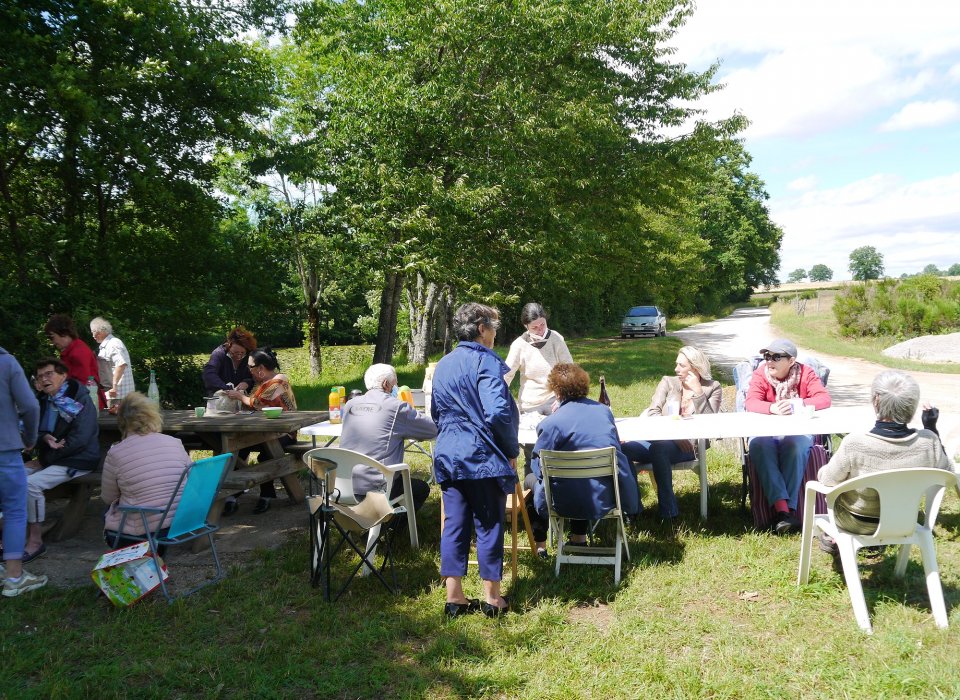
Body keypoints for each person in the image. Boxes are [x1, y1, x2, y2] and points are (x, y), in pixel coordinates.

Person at [432, 302, 518, 618]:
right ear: (482, 329)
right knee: (489, 523)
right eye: (494, 327)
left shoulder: (443, 364)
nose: (496, 333)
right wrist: (510, 450)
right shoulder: (486, 362)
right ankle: (492, 599)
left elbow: (436, 413)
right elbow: (498, 412)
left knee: (454, 523)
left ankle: (454, 598)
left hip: (449, 453)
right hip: (481, 456)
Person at [816, 371, 951, 551]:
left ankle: (835, 537)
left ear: (876, 401)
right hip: (904, 520)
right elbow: (948, 472)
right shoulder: (928, 442)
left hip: (855, 522)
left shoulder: (855, 443)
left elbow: (827, 480)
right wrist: (931, 429)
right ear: (912, 405)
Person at [528, 363, 640, 554]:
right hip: (605, 496)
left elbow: (539, 467)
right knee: (580, 475)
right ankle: (578, 538)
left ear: (556, 390)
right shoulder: (604, 412)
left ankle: (540, 545)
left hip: (564, 501)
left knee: (531, 478)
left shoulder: (552, 422)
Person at [621, 346, 721, 520]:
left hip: (690, 445)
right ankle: (633, 509)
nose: (676, 369)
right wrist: (674, 437)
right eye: (676, 364)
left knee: (658, 450)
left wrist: (698, 392)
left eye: (681, 365)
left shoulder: (712, 387)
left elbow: (710, 422)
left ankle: (668, 513)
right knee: (624, 450)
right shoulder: (668, 382)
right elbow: (653, 413)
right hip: (662, 439)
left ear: (695, 368)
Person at [744, 338, 831, 534]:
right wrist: (772, 407)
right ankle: (785, 512)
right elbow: (751, 402)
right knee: (759, 445)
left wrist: (796, 405)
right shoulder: (761, 374)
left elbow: (824, 398)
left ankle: (784, 513)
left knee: (794, 444)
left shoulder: (805, 373)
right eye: (767, 356)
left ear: (791, 361)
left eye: (776, 357)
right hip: (767, 430)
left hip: (797, 430)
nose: (769, 361)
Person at [23, 358, 100, 561]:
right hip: (54, 458)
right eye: (40, 376)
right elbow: (32, 432)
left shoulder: (78, 398)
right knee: (11, 475)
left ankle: (35, 540)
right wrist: (43, 438)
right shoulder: (43, 400)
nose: (44, 379)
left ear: (63, 375)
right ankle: (11, 532)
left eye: (49, 374)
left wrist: (45, 460)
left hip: (79, 459)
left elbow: (81, 439)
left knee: (31, 484)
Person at [339, 363, 436, 511]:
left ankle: (372, 523)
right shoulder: (396, 407)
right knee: (420, 488)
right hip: (377, 487)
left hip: (343, 484)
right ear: (386, 384)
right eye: (395, 384)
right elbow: (432, 429)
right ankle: (389, 525)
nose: (396, 388)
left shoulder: (350, 405)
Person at [101, 392, 192, 548]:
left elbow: (108, 498)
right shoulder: (175, 442)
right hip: (182, 522)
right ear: (153, 415)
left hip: (144, 530)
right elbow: (191, 480)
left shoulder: (116, 453)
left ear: (122, 420)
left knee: (107, 513)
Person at [223, 348, 296, 514]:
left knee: (266, 454)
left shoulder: (278, 382)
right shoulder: (264, 383)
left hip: (284, 433)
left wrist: (240, 396)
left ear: (261, 369)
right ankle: (231, 494)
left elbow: (258, 402)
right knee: (237, 450)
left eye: (250, 367)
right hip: (261, 432)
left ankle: (266, 495)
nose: (249, 371)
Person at [0, 347, 46, 596]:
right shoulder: (6, 362)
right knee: (15, 512)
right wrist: (29, 438)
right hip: (4, 449)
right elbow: (30, 406)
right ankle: (14, 577)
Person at [504, 302, 573, 415]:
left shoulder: (556, 338)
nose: (540, 330)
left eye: (542, 324)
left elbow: (570, 369)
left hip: (555, 399)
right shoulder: (519, 345)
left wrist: (563, 396)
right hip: (530, 404)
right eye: (534, 327)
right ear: (526, 326)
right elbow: (506, 374)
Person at [44, 314, 104, 408]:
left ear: (63, 333)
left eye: (52, 337)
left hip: (85, 406)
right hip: (80, 404)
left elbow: (82, 387)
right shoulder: (72, 350)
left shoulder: (78, 352)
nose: (52, 342)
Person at [90, 317, 135, 401]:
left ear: (100, 332)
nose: (93, 336)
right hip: (116, 394)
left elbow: (121, 364)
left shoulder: (113, 343)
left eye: (94, 332)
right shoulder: (107, 345)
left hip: (119, 395)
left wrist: (114, 387)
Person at [202, 326, 257, 394]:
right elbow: (209, 374)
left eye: (242, 353)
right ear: (229, 345)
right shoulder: (219, 354)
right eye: (235, 352)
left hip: (242, 398)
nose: (239, 356)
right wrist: (227, 388)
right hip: (220, 397)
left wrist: (247, 382)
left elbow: (257, 375)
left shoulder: (250, 355)